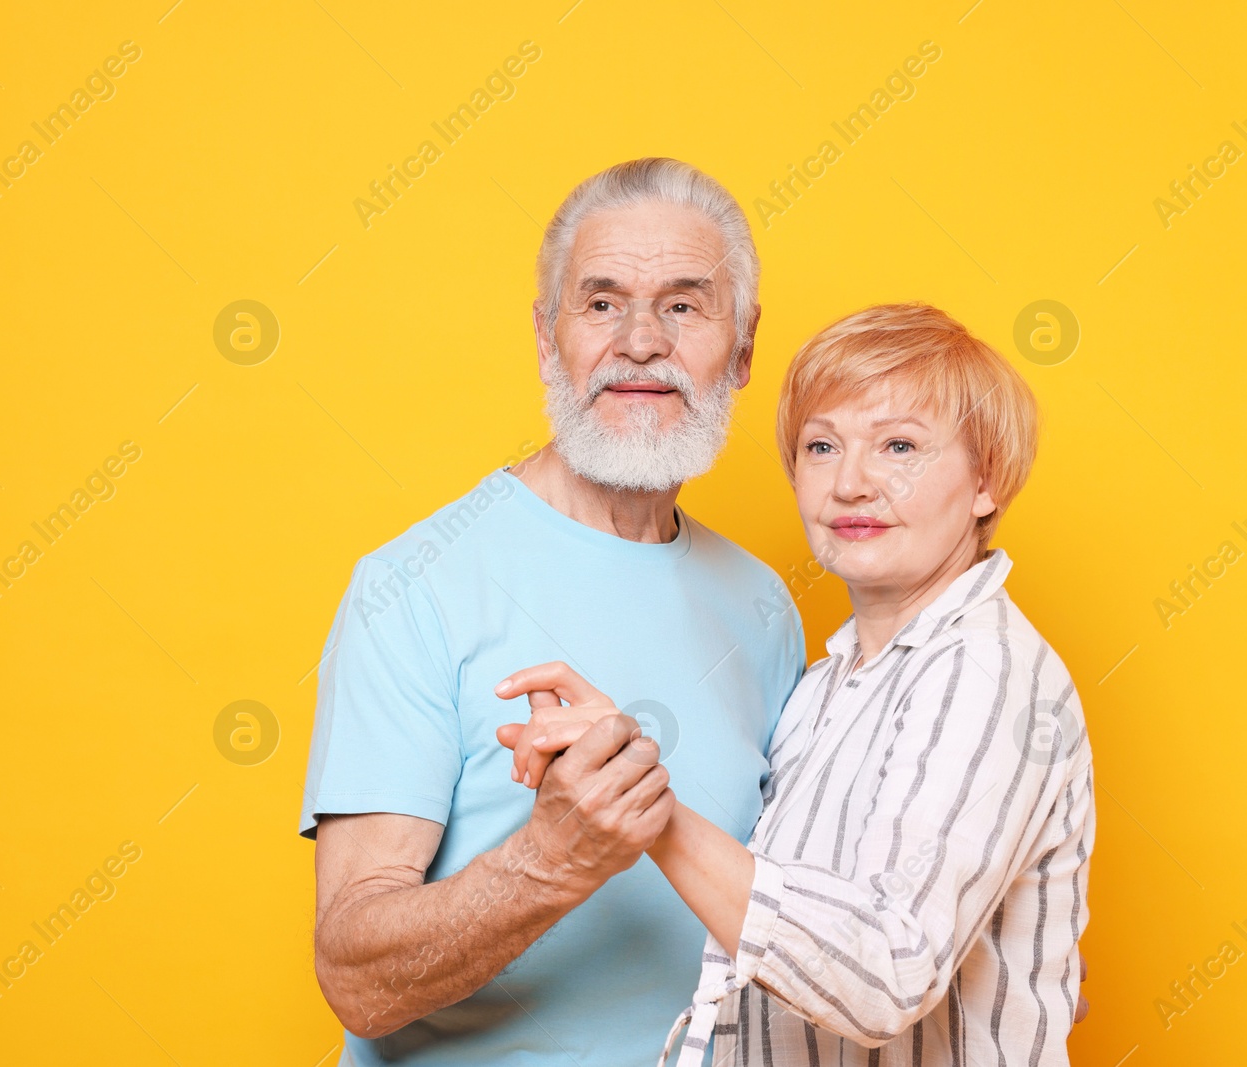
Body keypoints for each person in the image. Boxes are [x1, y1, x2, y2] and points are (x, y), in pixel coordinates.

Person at [300, 157, 808, 1063]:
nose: (642, 342)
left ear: (744, 344)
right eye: (602, 302)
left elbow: (791, 902)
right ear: (547, 334)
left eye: (685, 305)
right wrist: (554, 858)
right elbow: (356, 979)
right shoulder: (412, 585)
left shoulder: (764, 604)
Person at [498, 304, 1094, 1066]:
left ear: (986, 482)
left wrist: (640, 799)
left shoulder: (985, 672)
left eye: (900, 446)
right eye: (822, 446)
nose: (851, 483)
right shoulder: (828, 684)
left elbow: (887, 974)